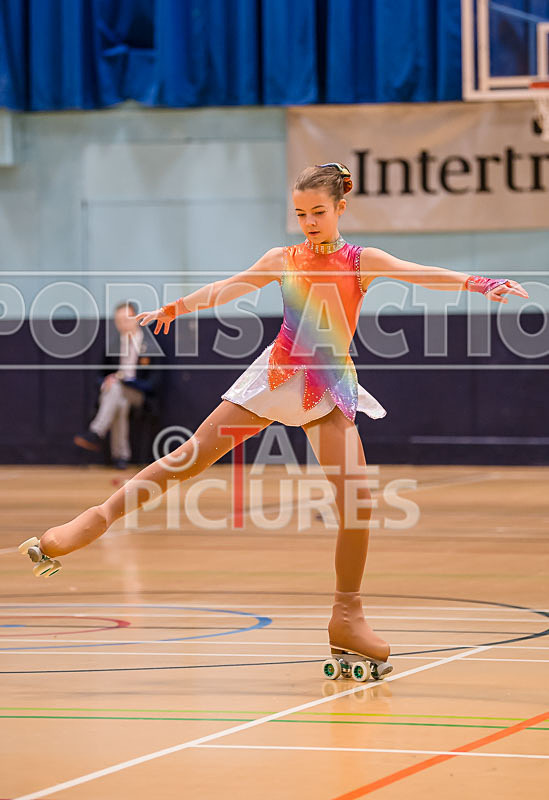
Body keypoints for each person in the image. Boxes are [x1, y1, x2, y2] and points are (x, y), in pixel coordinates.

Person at [19, 163, 529, 679]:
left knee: (358, 502)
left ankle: (347, 615)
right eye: (301, 213)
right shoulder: (283, 259)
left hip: (329, 388)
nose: (308, 221)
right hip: (275, 379)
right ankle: (83, 527)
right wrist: (179, 306)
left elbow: (418, 273)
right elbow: (230, 287)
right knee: (185, 461)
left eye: (318, 212)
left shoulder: (361, 261)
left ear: (340, 208)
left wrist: (480, 283)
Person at [73, 301, 161, 469]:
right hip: (116, 394)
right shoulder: (113, 345)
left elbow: (154, 383)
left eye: (126, 319)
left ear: (136, 319)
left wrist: (128, 382)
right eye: (119, 321)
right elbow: (100, 376)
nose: (123, 324)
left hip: (139, 395)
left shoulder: (150, 346)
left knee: (117, 389)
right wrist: (107, 381)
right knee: (118, 398)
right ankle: (121, 456)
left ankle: (96, 432)